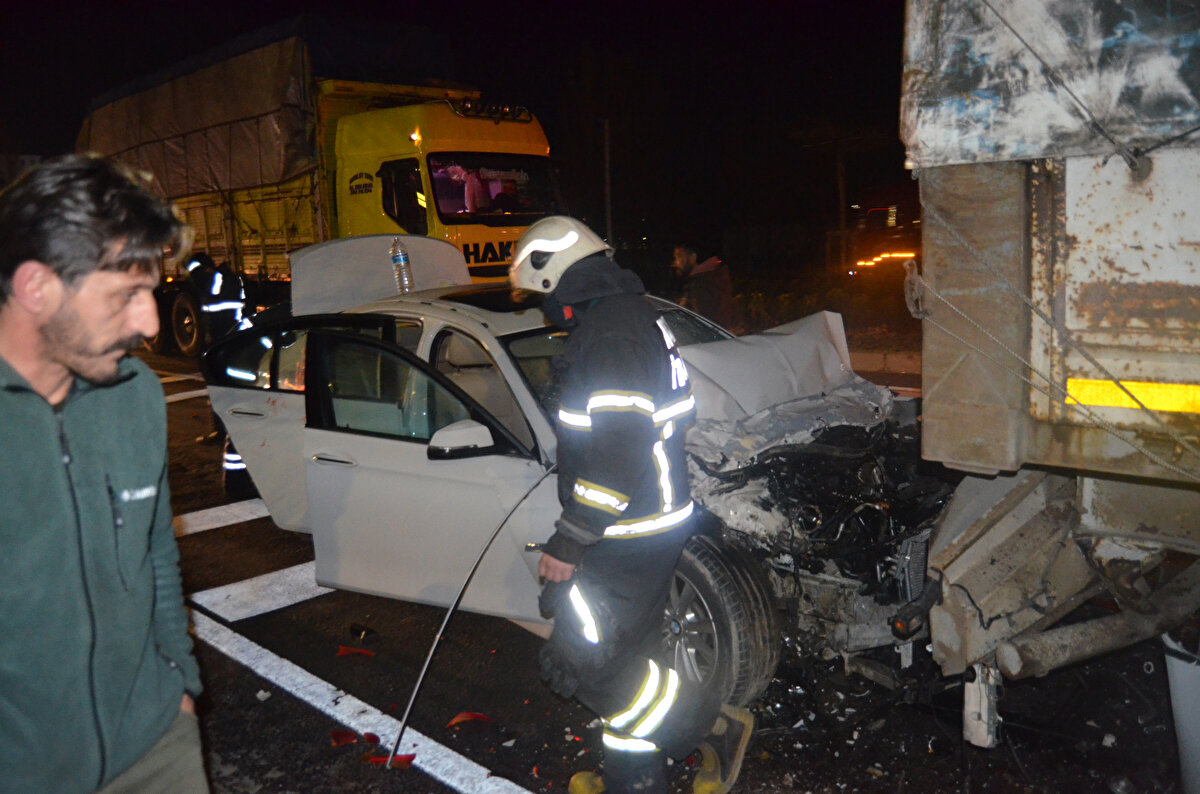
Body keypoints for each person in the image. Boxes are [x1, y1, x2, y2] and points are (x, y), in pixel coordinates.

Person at [510, 216, 753, 794]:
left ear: (558, 279)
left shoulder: (612, 332)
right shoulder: (629, 315)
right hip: (646, 523)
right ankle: (632, 776)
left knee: (581, 664)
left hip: (627, 530)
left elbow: (620, 449)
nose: (544, 312)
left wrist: (571, 538)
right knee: (631, 653)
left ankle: (706, 730)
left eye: (540, 297)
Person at [0, 155, 207, 793]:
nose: (149, 324)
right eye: (125, 296)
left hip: (156, 743)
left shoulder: (136, 394)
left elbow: (155, 551)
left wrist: (180, 684)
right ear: (36, 287)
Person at [671, 244, 742, 333]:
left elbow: (703, 323)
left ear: (693, 257)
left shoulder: (701, 285)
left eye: (679, 257)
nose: (675, 263)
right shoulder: (709, 279)